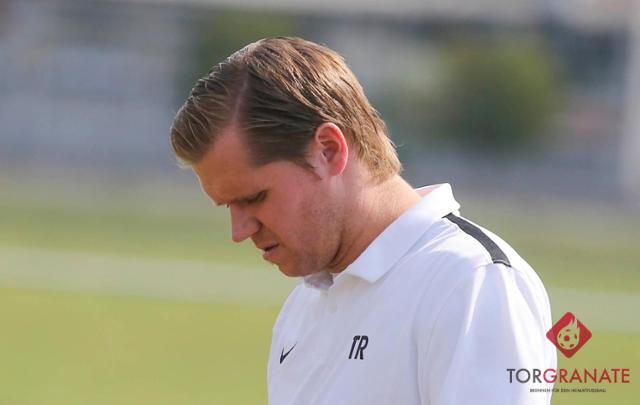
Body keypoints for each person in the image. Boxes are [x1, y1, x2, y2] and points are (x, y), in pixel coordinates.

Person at [170, 37, 556, 404]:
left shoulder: (471, 283)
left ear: (328, 150)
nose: (239, 231)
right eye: (227, 206)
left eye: (254, 198)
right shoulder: (305, 302)